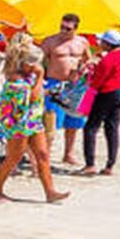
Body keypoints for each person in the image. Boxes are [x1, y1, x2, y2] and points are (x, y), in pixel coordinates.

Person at [0, 52, 67, 203]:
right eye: (32, 63)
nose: (35, 66)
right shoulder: (15, 79)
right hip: (18, 123)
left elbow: (37, 94)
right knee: (14, 157)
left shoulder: (30, 76)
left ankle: (50, 192)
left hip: (33, 120)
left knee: (43, 155)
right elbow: (31, 97)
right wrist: (40, 77)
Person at [40, 14, 93, 169]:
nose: (63, 31)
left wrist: (84, 67)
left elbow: (88, 59)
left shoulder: (82, 42)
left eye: (68, 29)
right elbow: (38, 61)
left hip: (76, 85)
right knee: (51, 121)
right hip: (55, 82)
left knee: (74, 122)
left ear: (76, 28)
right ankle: (46, 155)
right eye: (62, 27)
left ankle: (68, 153)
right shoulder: (50, 41)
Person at [78, 33, 120, 176]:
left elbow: (99, 80)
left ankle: (90, 164)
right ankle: (110, 165)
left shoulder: (108, 59)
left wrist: (89, 91)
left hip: (106, 93)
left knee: (91, 127)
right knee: (112, 128)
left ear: (108, 43)